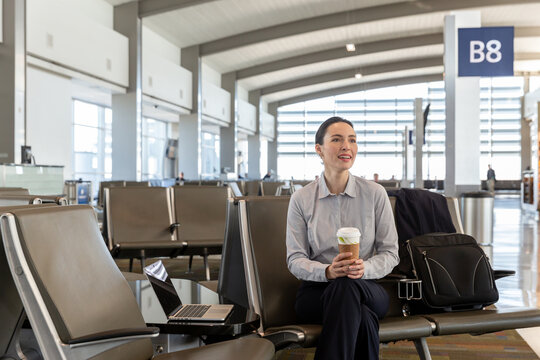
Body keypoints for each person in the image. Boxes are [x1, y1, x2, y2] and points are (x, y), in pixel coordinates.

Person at [286, 116, 399, 360]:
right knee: (362, 317)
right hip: (317, 291)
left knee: (349, 286)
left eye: (352, 140)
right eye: (336, 140)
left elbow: (391, 253)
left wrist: (364, 268)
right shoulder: (302, 199)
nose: (346, 146)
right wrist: (327, 271)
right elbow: (295, 259)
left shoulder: (375, 194)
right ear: (319, 149)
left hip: (367, 286)